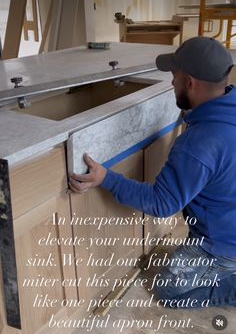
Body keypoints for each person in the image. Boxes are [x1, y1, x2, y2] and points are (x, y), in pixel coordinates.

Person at [69, 36, 236, 308]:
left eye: (175, 75)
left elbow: (162, 202)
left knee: (168, 291)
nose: (171, 82)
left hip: (223, 245)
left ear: (191, 83)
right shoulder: (228, 105)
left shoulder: (198, 145)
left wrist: (106, 178)